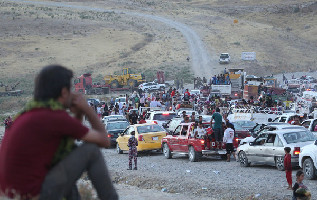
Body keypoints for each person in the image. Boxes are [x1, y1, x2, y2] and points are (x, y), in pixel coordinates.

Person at [0, 65, 118, 199]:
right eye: (71, 89)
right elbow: (104, 140)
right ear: (63, 92)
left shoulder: (29, 114)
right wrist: (87, 109)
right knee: (91, 151)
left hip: (12, 194)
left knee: (66, 175)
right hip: (32, 195)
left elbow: (68, 141)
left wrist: (78, 114)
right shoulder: (54, 116)